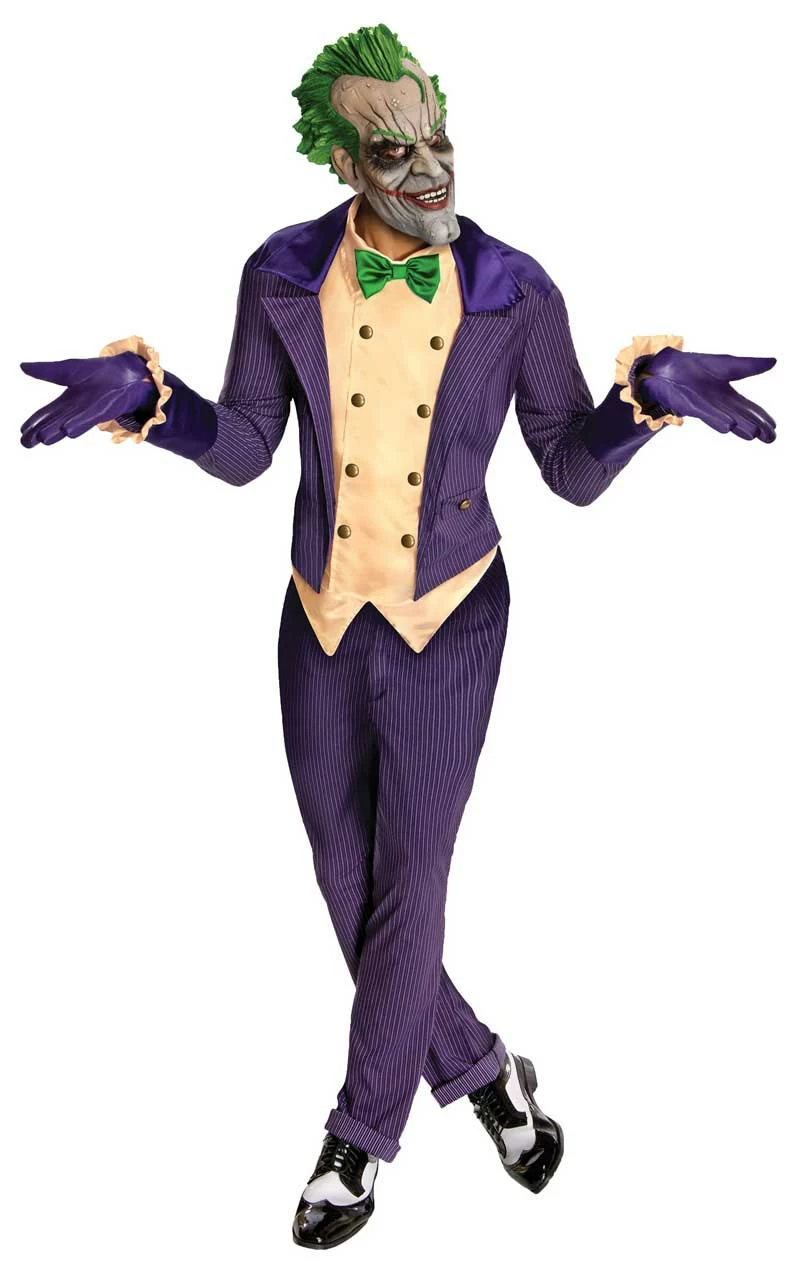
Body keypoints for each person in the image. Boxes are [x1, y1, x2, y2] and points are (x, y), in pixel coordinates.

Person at [19, 22, 776, 1252]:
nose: (428, 169)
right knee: (347, 883)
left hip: (451, 618)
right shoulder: (277, 273)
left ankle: (357, 1138)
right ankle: (482, 1071)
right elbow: (248, 448)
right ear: (339, 160)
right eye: (390, 150)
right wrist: (154, 407)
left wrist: (640, 407)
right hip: (317, 615)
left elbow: (565, 469)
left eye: (438, 138)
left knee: (409, 879)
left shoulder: (514, 289)